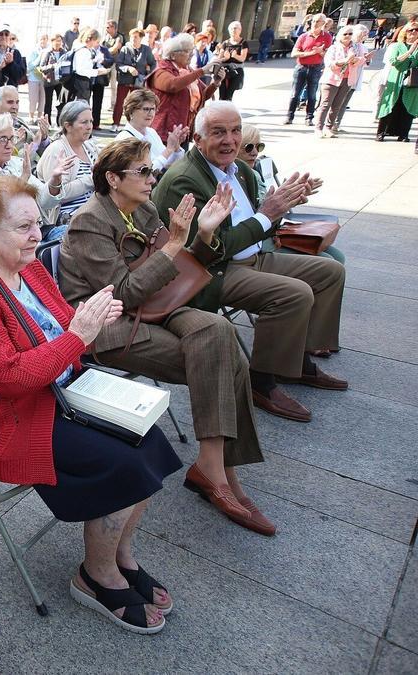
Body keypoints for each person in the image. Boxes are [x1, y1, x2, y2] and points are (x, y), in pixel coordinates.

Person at [0, 174, 181, 634]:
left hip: (59, 392)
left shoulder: (27, 268)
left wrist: (91, 320)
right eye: (23, 226)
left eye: (38, 222)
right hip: (7, 416)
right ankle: (95, 576)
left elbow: (65, 327)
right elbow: (7, 378)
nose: (37, 234)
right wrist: (78, 335)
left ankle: (121, 556)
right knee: (124, 462)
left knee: (149, 438)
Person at [57, 137, 276, 535]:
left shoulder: (143, 208)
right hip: (108, 325)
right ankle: (221, 471)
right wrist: (176, 242)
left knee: (219, 329)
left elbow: (179, 269)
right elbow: (120, 293)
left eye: (150, 168)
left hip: (158, 308)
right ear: (112, 178)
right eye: (142, 171)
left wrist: (203, 235)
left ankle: (216, 466)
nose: (151, 176)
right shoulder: (90, 221)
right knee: (222, 355)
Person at [153, 102, 347, 423]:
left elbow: (259, 223)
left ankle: (297, 359)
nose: (230, 140)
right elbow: (211, 249)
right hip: (212, 273)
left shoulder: (240, 170)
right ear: (198, 140)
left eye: (235, 130)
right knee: (294, 294)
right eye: (218, 133)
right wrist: (265, 214)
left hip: (255, 258)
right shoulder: (184, 180)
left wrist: (284, 203)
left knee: (330, 271)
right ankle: (261, 381)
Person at [236, 123, 345, 265]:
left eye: (259, 147)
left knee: (338, 256)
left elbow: (270, 209)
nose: (255, 152)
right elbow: (250, 217)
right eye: (248, 147)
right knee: (329, 262)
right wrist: (284, 200)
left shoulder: (254, 173)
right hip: (258, 243)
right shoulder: (234, 177)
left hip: (273, 233)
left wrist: (293, 196)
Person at [37, 100, 99, 240]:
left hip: (93, 211)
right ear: (68, 126)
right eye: (84, 122)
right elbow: (57, 196)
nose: (89, 127)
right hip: (65, 220)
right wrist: (91, 179)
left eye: (91, 121)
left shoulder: (91, 148)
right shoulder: (57, 150)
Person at [148, 33, 223, 144]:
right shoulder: (161, 71)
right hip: (163, 132)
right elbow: (173, 85)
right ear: (173, 55)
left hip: (184, 132)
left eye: (192, 50)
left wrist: (215, 83)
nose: (192, 54)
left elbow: (203, 95)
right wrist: (201, 71)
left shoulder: (188, 71)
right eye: (187, 51)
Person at [313, 25, 367, 139]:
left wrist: (355, 60)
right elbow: (330, 64)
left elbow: (362, 60)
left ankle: (329, 128)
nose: (348, 36)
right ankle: (318, 128)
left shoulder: (355, 48)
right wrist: (345, 60)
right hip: (331, 79)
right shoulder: (334, 48)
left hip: (347, 79)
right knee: (325, 104)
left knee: (337, 105)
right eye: (345, 34)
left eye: (350, 34)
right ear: (340, 36)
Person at [116, 88, 185, 174]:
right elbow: (144, 173)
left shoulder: (151, 132)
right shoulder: (124, 138)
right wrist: (169, 150)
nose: (151, 113)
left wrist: (176, 147)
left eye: (153, 109)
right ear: (131, 112)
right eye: (146, 109)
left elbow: (167, 163)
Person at [374, 25, 418, 144]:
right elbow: (394, 61)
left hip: (412, 82)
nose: (413, 32)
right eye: (411, 30)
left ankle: (403, 134)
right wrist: (409, 52)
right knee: (389, 104)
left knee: (407, 108)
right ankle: (381, 132)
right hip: (396, 79)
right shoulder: (397, 46)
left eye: (416, 30)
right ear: (405, 32)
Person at [286, 13, 332, 125]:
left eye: (318, 21)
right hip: (301, 67)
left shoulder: (327, 37)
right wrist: (311, 53)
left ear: (323, 24)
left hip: (316, 68)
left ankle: (309, 118)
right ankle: (289, 116)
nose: (315, 24)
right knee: (295, 94)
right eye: (314, 21)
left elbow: (329, 55)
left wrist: (320, 52)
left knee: (312, 94)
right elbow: (294, 53)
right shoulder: (303, 36)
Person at [114, 28, 156, 128]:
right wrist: (128, 68)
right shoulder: (125, 49)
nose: (133, 39)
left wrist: (147, 74)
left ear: (141, 38)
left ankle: (133, 124)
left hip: (138, 82)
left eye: (136, 37)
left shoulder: (146, 50)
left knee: (137, 104)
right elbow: (118, 64)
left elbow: (153, 63)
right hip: (124, 81)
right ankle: (115, 123)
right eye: (132, 37)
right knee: (120, 102)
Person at [69, 28, 110, 127]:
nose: (97, 44)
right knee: (82, 109)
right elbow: (82, 70)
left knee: (81, 108)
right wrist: (98, 72)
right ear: (91, 39)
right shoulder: (84, 51)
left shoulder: (81, 49)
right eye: (96, 41)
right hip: (81, 82)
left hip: (80, 81)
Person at [37, 34, 68, 119]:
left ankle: (59, 121)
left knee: (61, 102)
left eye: (60, 41)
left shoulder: (64, 52)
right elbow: (41, 67)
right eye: (56, 41)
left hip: (60, 81)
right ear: (52, 42)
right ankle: (48, 121)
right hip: (49, 81)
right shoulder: (47, 52)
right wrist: (52, 66)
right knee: (48, 103)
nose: (58, 43)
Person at [216, 22, 248, 100]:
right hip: (225, 69)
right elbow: (219, 58)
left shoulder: (243, 43)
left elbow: (243, 58)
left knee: (229, 93)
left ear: (240, 30)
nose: (233, 30)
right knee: (222, 93)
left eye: (236, 28)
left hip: (236, 69)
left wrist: (235, 56)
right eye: (232, 28)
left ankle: (228, 105)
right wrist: (224, 57)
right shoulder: (225, 43)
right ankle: (221, 105)